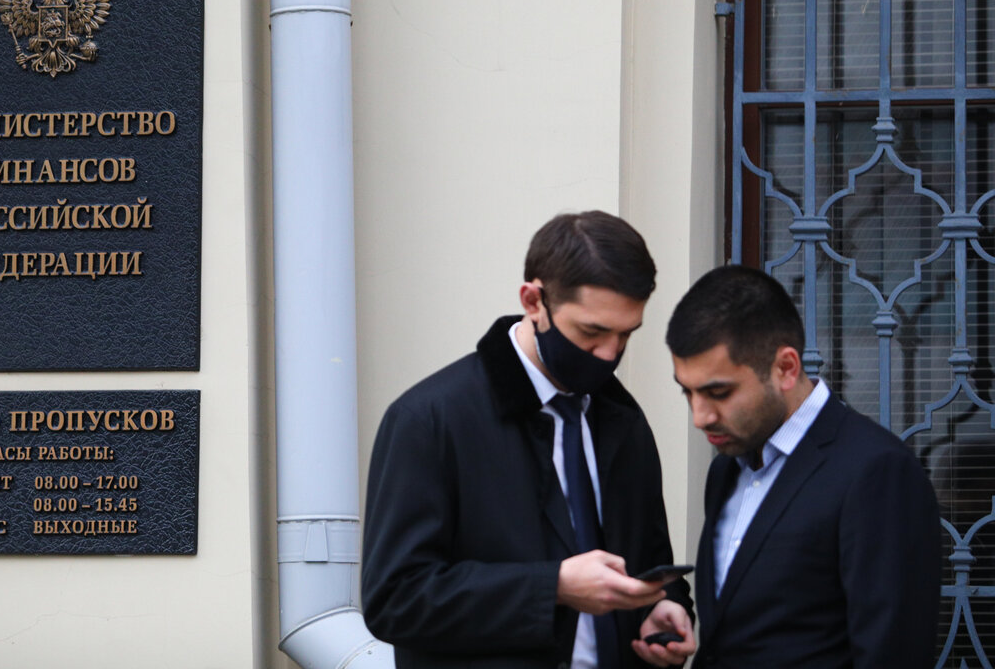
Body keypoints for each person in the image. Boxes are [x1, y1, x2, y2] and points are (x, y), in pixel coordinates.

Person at [362, 211, 696, 669]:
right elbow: (395, 599)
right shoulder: (428, 420)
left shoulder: (624, 419)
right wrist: (553, 586)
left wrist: (662, 606)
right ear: (533, 301)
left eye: (626, 335)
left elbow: (648, 559)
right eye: (592, 332)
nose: (609, 354)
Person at [665, 265, 941, 668]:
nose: (700, 416)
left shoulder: (877, 471)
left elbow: (893, 654)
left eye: (718, 392)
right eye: (687, 393)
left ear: (786, 368)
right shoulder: (725, 470)